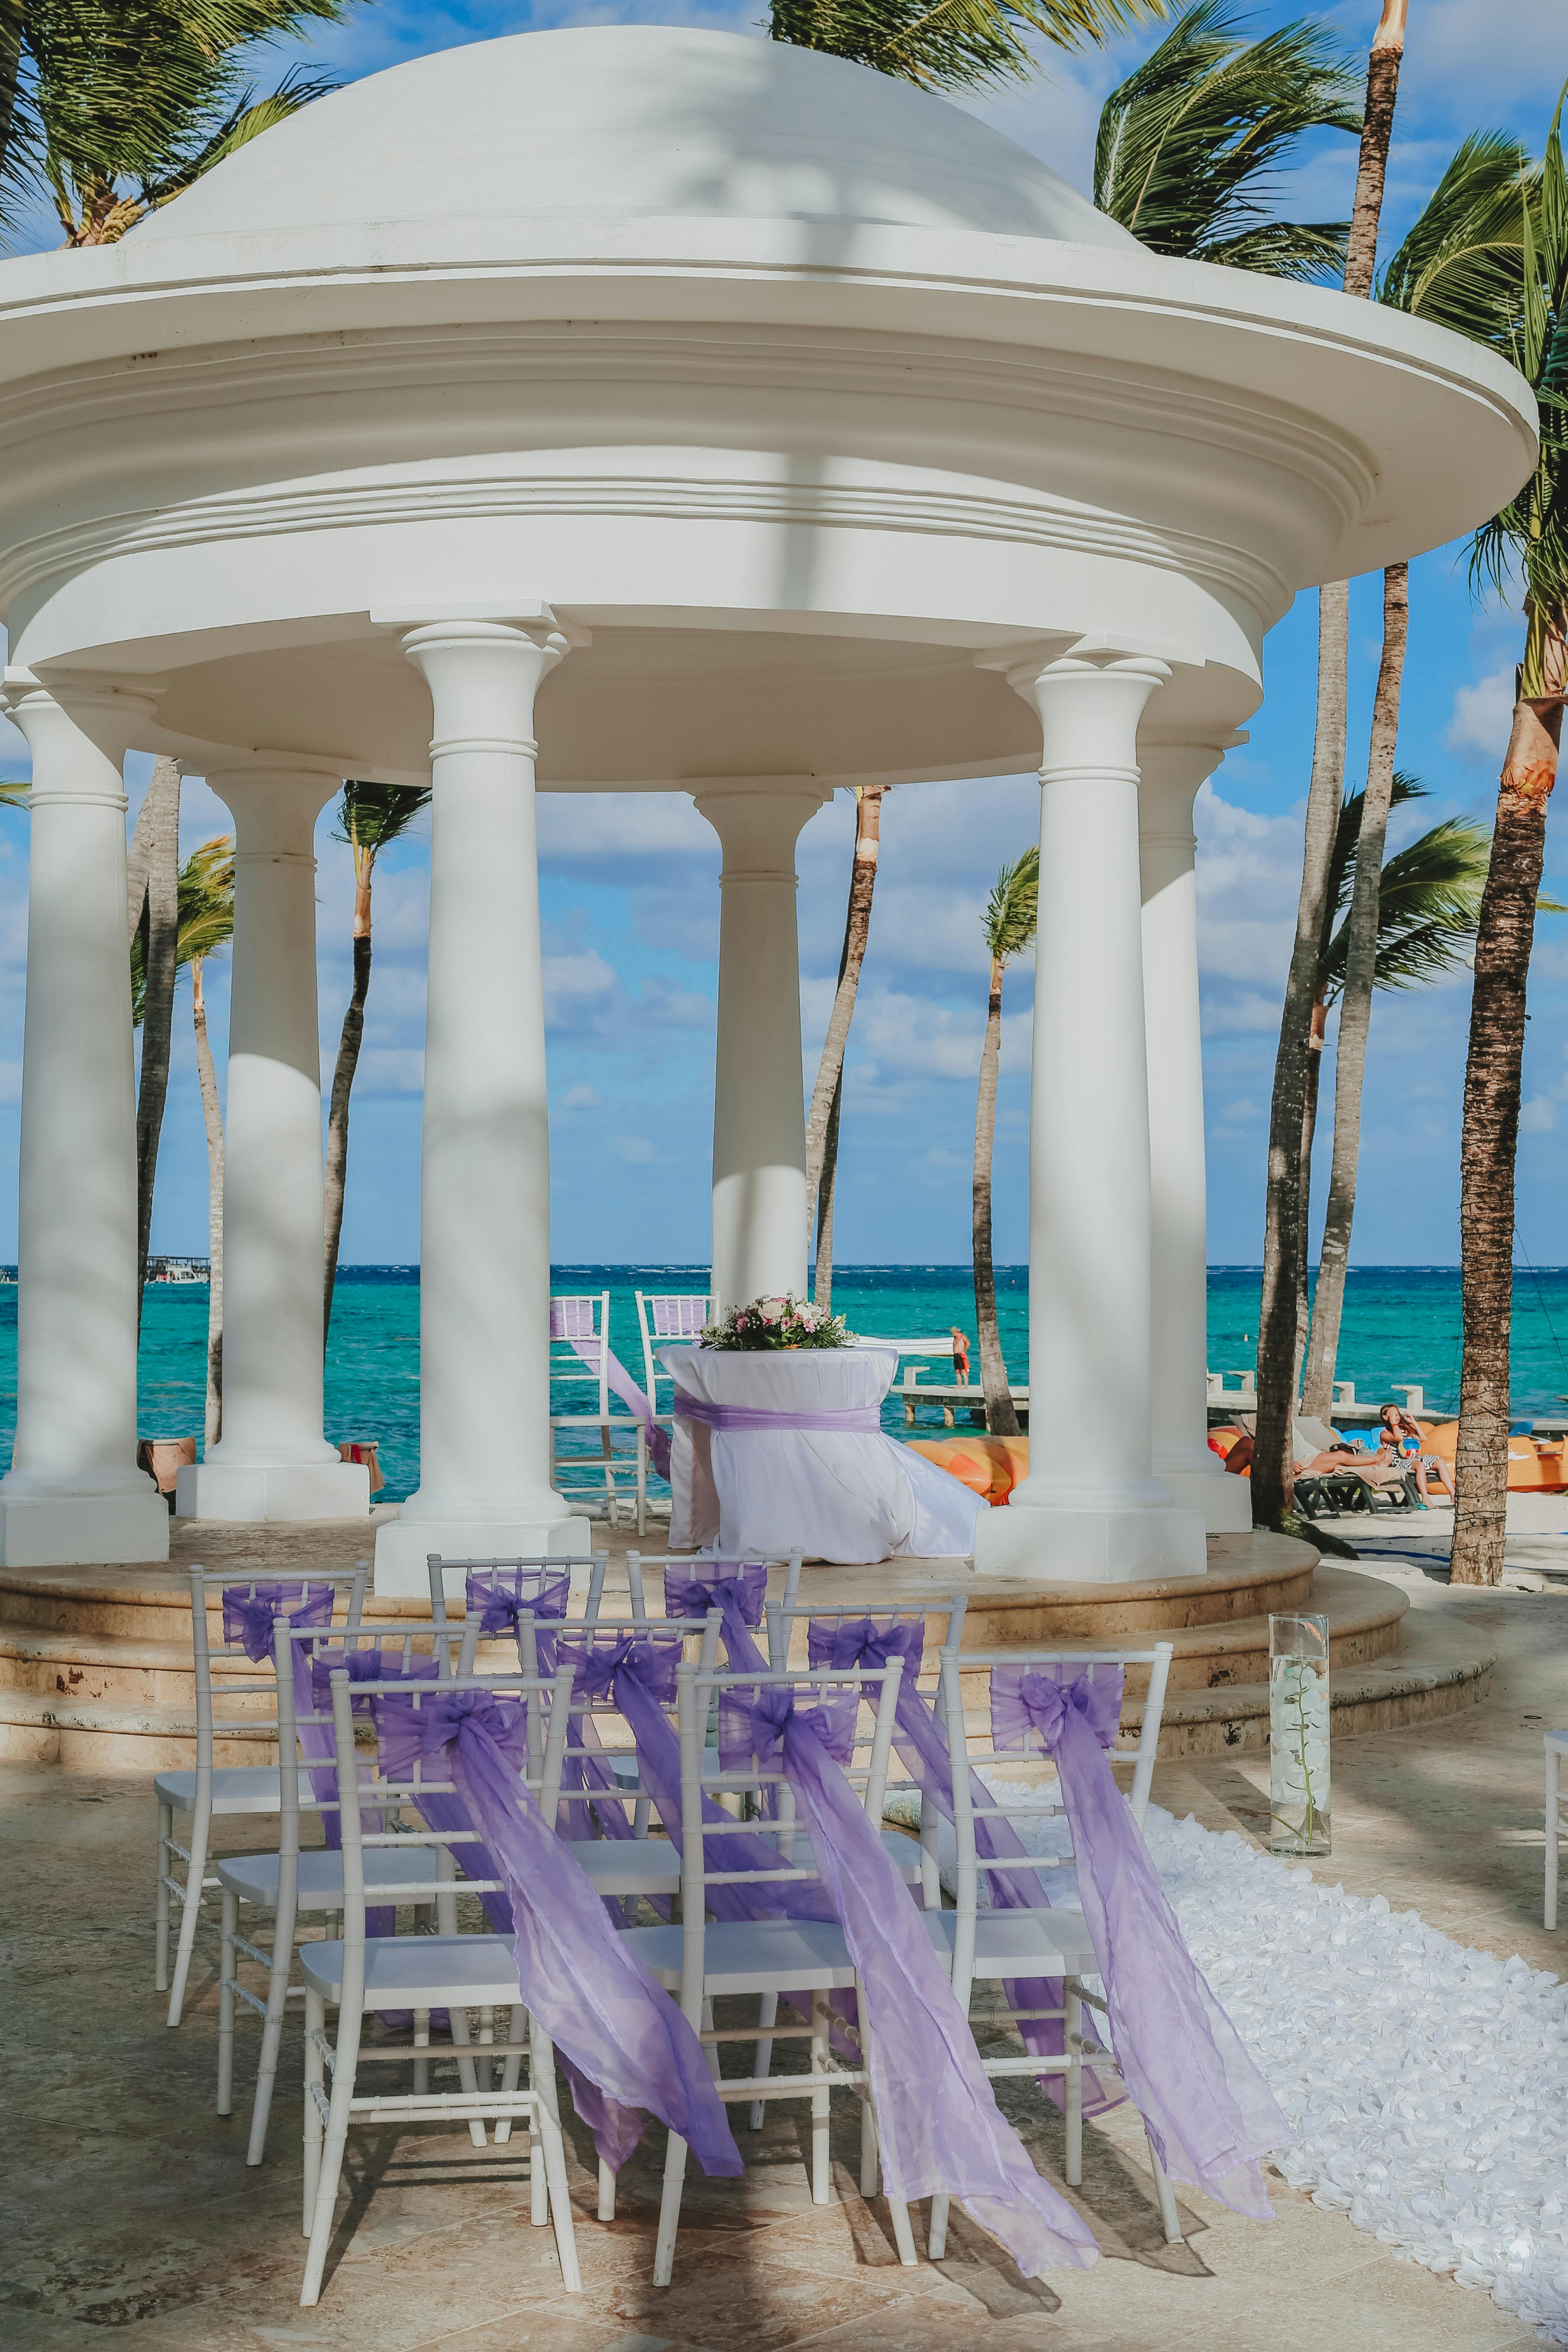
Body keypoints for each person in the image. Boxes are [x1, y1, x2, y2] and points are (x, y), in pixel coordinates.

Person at [1377, 1402, 1454, 1504]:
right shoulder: (1385, 1434)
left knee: (1439, 1461)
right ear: (1385, 1417)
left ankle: (1453, 1494)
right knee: (1419, 1465)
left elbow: (1424, 1438)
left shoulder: (1404, 1430)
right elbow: (1399, 1438)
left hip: (1413, 1460)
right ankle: (1426, 1499)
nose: (1397, 1416)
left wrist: (1414, 1423)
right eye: (1393, 1414)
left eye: (1398, 1413)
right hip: (1399, 1462)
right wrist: (1394, 1423)